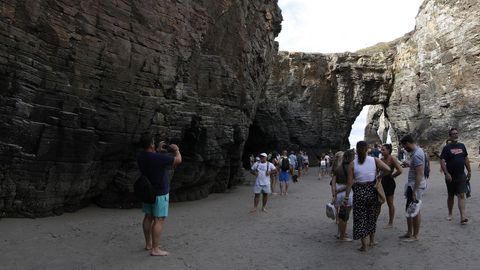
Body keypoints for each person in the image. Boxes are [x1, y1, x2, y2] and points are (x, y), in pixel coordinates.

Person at [138, 134, 182, 256]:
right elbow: (178, 160)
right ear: (151, 144)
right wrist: (177, 150)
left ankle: (149, 244)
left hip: (147, 191)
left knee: (148, 217)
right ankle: (155, 249)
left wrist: (157, 151)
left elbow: (151, 158)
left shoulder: (141, 157)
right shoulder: (157, 158)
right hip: (160, 193)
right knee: (159, 219)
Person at [345, 141, 390, 252]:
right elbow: (388, 169)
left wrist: (346, 197)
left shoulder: (353, 163)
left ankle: (364, 246)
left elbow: (350, 182)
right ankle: (372, 241)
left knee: (360, 218)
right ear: (367, 149)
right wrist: (379, 176)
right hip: (371, 191)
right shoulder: (374, 160)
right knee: (371, 216)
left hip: (359, 192)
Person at [440, 128, 471, 224]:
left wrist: (469, 171)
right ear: (450, 136)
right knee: (451, 196)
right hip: (450, 176)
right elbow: (442, 161)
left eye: (457, 133)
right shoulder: (447, 148)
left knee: (461, 195)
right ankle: (450, 213)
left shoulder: (462, 146)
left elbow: (465, 159)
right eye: (453, 134)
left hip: (461, 175)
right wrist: (446, 173)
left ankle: (463, 217)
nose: (455, 135)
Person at [399, 134, 427, 242]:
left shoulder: (417, 154)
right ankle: (409, 232)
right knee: (409, 209)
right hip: (412, 185)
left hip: (416, 186)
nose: (404, 148)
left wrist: (415, 191)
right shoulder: (416, 152)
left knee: (415, 210)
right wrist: (409, 164)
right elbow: (416, 168)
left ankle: (415, 236)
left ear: (408, 143)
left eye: (404, 146)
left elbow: (420, 174)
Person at [331, 150, 355, 241]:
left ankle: (339, 233)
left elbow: (333, 182)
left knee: (341, 215)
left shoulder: (337, 168)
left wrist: (334, 193)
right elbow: (351, 182)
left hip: (337, 192)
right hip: (346, 193)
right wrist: (342, 190)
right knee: (345, 216)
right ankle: (342, 236)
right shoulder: (351, 167)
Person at [380, 144, 403, 228]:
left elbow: (400, 170)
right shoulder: (381, 159)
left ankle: (390, 223)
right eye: (381, 150)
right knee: (379, 201)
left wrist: (392, 176)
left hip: (389, 182)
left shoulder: (392, 158)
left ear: (388, 150)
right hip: (382, 181)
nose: (381, 151)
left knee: (390, 203)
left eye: (383, 150)